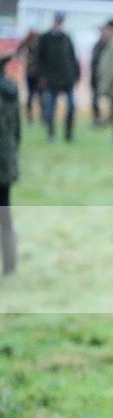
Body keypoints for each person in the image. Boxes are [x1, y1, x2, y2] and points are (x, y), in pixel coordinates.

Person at [36, 11, 79, 142]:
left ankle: (69, 135)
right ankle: (51, 134)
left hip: (67, 78)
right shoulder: (45, 38)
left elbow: (72, 58)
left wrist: (76, 75)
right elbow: (39, 59)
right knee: (50, 108)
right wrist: (43, 76)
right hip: (52, 79)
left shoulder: (66, 38)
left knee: (71, 107)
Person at [0, 55, 20, 276]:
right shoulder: (10, 91)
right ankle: (9, 262)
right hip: (5, 157)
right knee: (4, 213)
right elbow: (17, 129)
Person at [15, 29, 40, 124]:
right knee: (33, 95)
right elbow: (18, 52)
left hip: (36, 73)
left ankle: (34, 117)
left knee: (35, 95)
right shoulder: (30, 44)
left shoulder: (35, 44)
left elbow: (18, 52)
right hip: (32, 73)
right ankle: (31, 117)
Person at [89, 24, 109, 126]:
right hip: (96, 78)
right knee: (95, 99)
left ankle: (109, 119)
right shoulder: (97, 45)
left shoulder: (109, 45)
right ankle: (96, 118)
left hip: (106, 77)